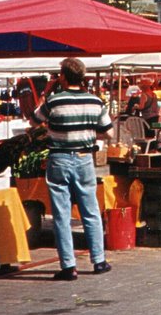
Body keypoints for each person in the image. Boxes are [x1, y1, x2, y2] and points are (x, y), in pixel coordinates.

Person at [31, 58, 112, 281]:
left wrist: (47, 91)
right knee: (91, 211)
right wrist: (87, 135)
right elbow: (109, 132)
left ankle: (68, 266)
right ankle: (99, 260)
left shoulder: (54, 101)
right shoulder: (95, 101)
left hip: (59, 159)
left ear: (63, 77)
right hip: (85, 158)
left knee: (61, 214)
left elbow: (34, 121)